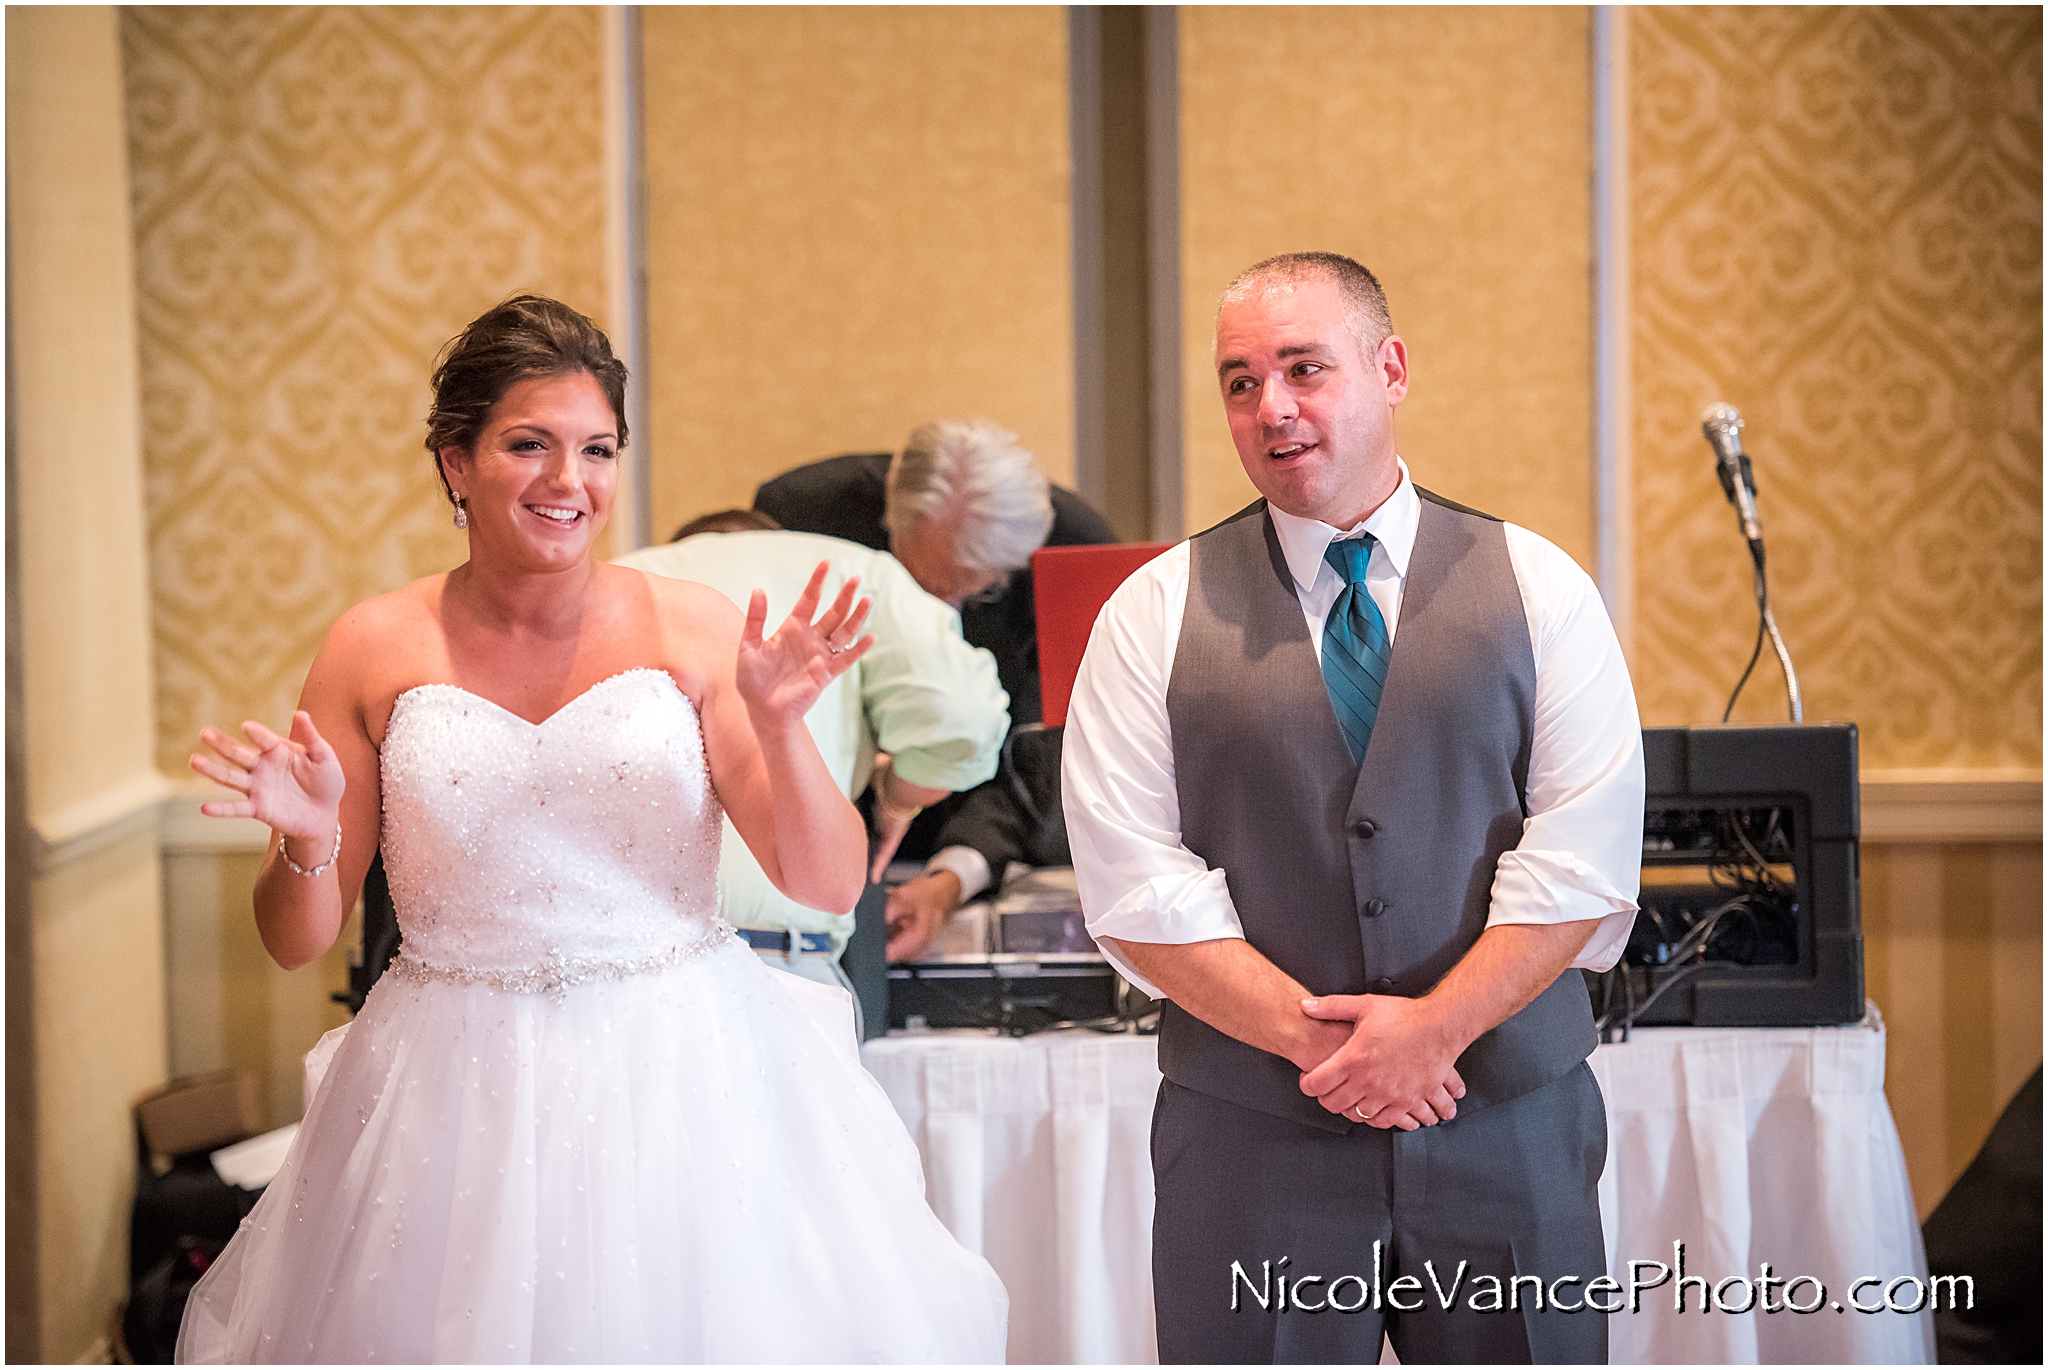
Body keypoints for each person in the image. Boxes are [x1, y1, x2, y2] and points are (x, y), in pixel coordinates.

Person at [176, 296, 1007, 1363]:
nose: (569, 481)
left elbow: (826, 882)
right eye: (529, 444)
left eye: (596, 449)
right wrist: (304, 839)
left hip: (681, 1072)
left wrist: (783, 726)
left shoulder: (690, 625)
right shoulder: (371, 643)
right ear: (454, 462)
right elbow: (296, 936)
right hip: (445, 1088)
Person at [1062, 253, 1643, 1364]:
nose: (1268, 407)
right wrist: (1334, 1051)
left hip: (1506, 1126)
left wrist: (1433, 1030)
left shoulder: (1538, 584)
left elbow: (1580, 857)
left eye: (1301, 369)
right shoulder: (1151, 609)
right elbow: (1133, 884)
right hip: (1251, 1140)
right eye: (1238, 381)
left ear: (1389, 369)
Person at [613, 508, 1010, 1029]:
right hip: (780, 971)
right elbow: (964, 719)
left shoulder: (617, 583)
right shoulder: (858, 574)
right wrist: (896, 798)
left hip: (621, 974)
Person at [752, 420, 1116, 730]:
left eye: (979, 592)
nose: (947, 611)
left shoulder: (1080, 548)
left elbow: (1056, 730)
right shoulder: (801, 514)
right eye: (930, 587)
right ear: (892, 497)